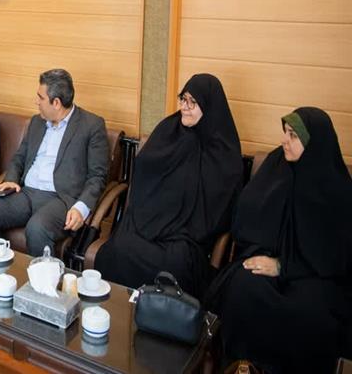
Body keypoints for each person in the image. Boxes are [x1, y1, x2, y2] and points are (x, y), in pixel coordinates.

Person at [206, 108, 352, 373]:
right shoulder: (276, 166)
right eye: (285, 133)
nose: (284, 140)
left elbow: (334, 256)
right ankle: (242, 366)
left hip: (314, 275)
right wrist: (267, 255)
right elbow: (248, 216)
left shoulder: (336, 187)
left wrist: (283, 266)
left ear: (313, 142)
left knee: (312, 313)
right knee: (243, 287)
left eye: (293, 135)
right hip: (266, 254)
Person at [94, 73, 243, 298]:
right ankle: (118, 310)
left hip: (186, 236)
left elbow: (219, 207)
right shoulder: (169, 130)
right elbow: (144, 170)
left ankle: (156, 316)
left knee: (176, 264)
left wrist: (176, 220)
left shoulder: (223, 152)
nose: (185, 107)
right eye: (183, 99)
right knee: (117, 249)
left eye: (193, 102)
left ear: (209, 107)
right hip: (146, 220)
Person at [0, 69, 109, 256]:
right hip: (26, 194)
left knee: (37, 228)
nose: (36, 101)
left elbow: (98, 176)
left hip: (61, 199)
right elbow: (19, 157)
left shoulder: (91, 125)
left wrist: (81, 208)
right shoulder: (37, 122)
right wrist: (11, 179)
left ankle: (40, 276)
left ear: (56, 103)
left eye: (40, 97)